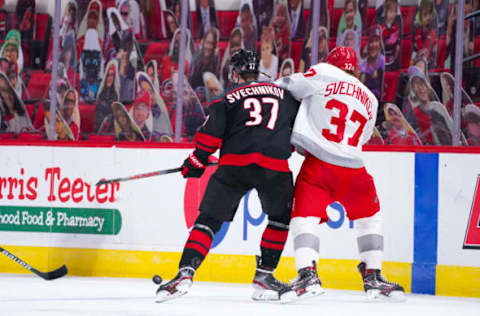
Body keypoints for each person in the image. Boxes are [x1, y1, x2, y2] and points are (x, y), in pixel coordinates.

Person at [155, 49, 300, 303]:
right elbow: (295, 131)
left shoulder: (225, 99)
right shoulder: (286, 97)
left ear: (235, 73)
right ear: (258, 71)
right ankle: (265, 276)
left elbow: (208, 140)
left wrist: (195, 162)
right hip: (275, 166)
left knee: (209, 220)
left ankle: (184, 273)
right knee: (279, 219)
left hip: (236, 165)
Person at [275, 46, 405, 300]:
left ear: (331, 63)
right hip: (354, 167)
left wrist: (271, 84)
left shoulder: (324, 72)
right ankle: (373, 276)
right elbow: (365, 136)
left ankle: (308, 274)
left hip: (318, 165)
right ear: (354, 69)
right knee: (370, 217)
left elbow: (290, 85)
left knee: (305, 218)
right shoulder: (370, 96)